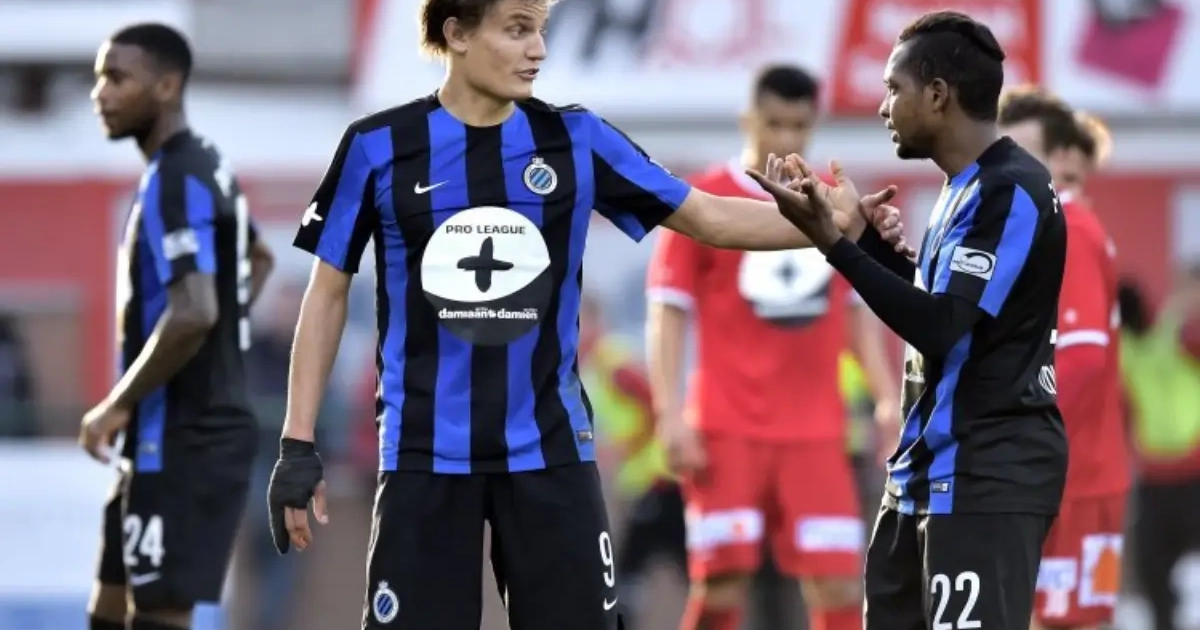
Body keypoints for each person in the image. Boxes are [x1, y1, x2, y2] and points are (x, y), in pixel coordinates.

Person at [263, 1, 909, 629]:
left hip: (550, 455)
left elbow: (707, 216)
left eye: (541, 30)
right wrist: (296, 444)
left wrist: (835, 226)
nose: (538, 49)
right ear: (457, 33)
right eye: (518, 29)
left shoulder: (575, 139)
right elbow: (327, 294)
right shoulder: (378, 146)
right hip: (423, 455)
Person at [746, 10, 1069, 630]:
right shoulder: (963, 188)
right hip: (922, 472)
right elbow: (941, 309)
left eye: (894, 88)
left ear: (938, 95)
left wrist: (833, 246)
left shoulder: (1012, 189)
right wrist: (861, 241)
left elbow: (942, 326)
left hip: (985, 474)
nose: (882, 106)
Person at [645, 64, 900, 630]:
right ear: (749, 119)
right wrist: (670, 414)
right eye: (774, 123)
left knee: (838, 584)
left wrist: (887, 400)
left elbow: (855, 315)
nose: (785, 138)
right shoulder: (702, 200)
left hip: (816, 432)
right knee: (722, 582)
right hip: (727, 426)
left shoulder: (833, 206)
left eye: (798, 126)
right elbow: (668, 311)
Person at [81, 22, 274, 630]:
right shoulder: (203, 163)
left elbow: (194, 311)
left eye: (117, 78)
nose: (100, 93)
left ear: (166, 86)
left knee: (157, 617)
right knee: (107, 612)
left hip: (185, 438)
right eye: (98, 78)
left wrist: (115, 403)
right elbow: (257, 258)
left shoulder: (176, 177)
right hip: (157, 438)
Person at [997, 86, 1129, 630]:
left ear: (1061, 158)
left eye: (1022, 154)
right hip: (1058, 475)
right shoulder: (1037, 229)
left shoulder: (1067, 227)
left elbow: (1080, 360)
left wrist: (1017, 441)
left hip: (1073, 479)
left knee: (1066, 622)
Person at [579, 294, 685, 630]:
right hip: (645, 485)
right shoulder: (591, 368)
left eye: (579, 322)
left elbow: (654, 405)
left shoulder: (613, 363)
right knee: (674, 569)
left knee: (625, 577)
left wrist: (624, 450)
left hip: (660, 481)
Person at [1120, 271, 1200, 630]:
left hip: (1194, 471)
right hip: (1154, 479)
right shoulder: (1125, 348)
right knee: (1153, 572)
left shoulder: (1178, 333)